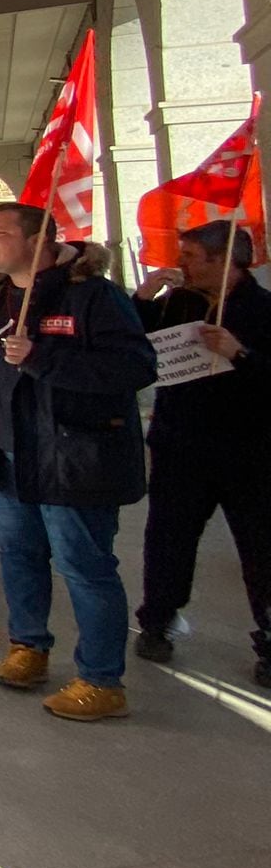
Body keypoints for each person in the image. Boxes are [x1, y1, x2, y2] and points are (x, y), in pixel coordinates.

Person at [0, 202, 155, 720]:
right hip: (8, 457)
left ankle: (101, 680)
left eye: (1, 233)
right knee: (20, 558)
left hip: (71, 461)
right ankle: (28, 644)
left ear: (39, 240)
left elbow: (134, 368)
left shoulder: (93, 296)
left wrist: (42, 358)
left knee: (85, 568)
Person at [130, 222, 270, 685]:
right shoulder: (179, 302)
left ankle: (267, 641)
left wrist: (240, 354)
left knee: (260, 548)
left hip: (249, 453)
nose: (181, 263)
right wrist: (142, 300)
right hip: (179, 447)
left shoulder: (263, 310)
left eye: (190, 255)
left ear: (223, 260)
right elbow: (136, 347)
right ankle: (157, 622)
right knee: (169, 539)